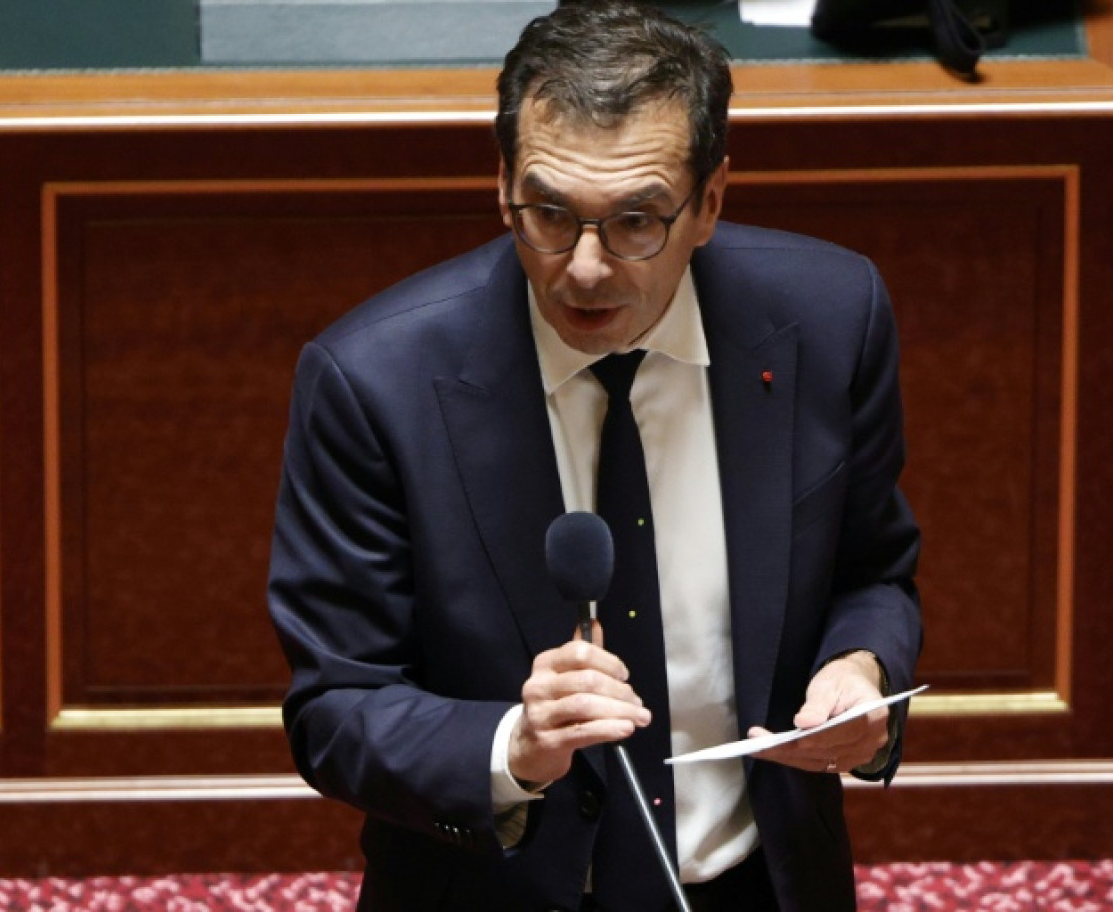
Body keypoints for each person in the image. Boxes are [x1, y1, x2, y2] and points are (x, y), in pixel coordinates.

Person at [267, 2, 922, 909]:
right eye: (548, 212)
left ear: (711, 204)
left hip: (757, 881)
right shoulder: (372, 383)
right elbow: (336, 707)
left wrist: (864, 672)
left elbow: (874, 569)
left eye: (636, 221)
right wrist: (512, 746)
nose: (583, 267)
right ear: (503, 187)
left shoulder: (830, 319)